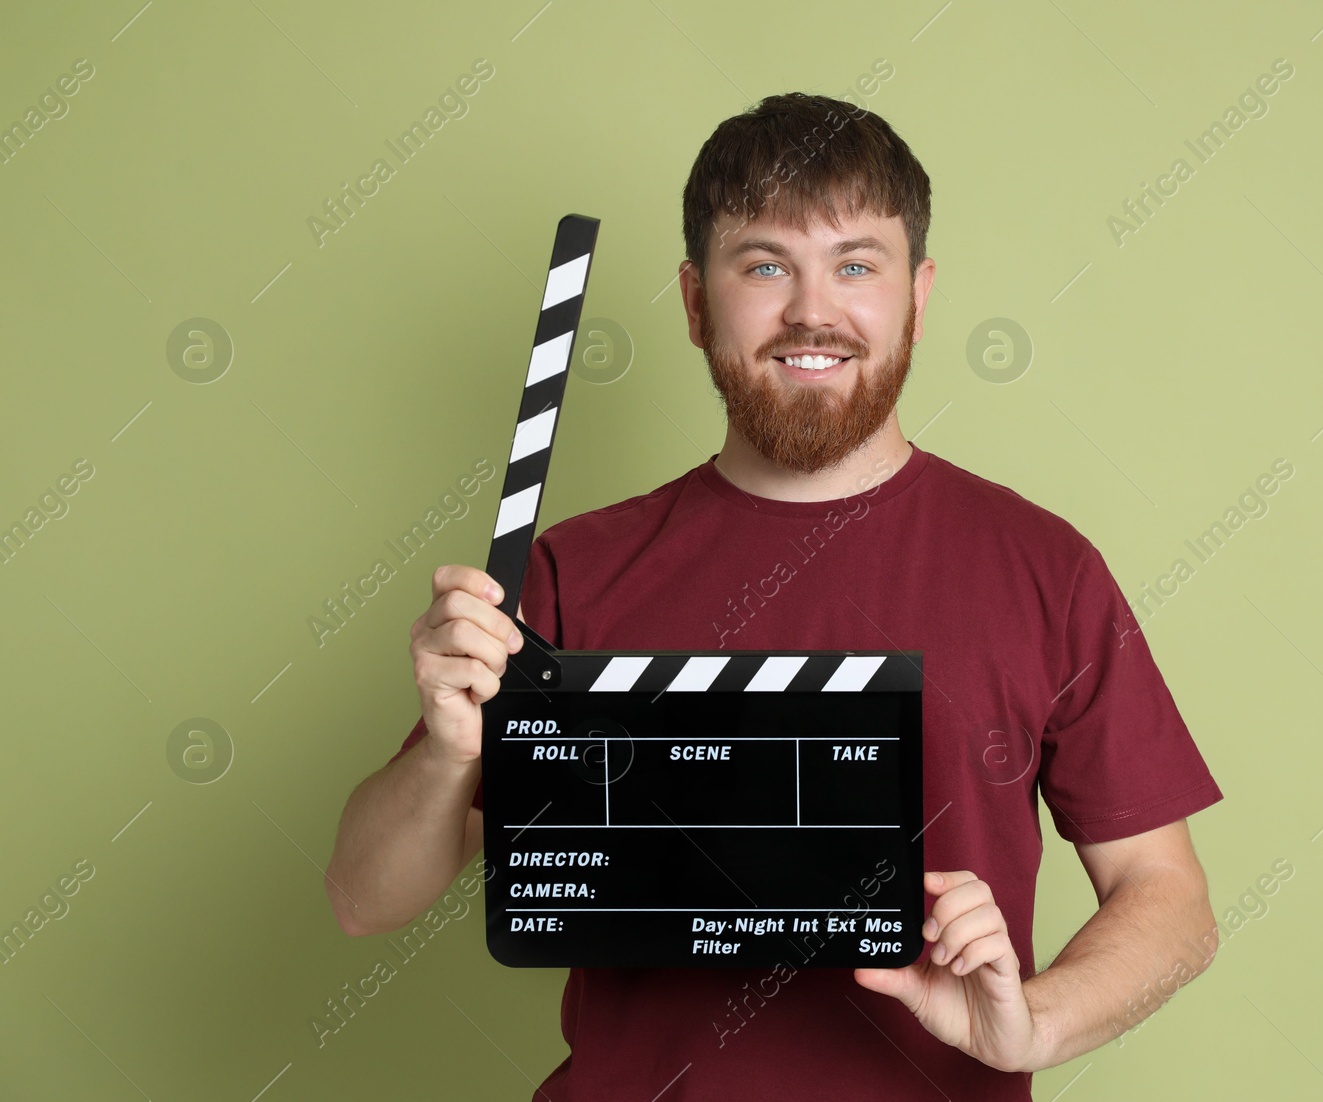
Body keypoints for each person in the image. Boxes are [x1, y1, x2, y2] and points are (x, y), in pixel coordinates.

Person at [325, 91, 1225, 1100]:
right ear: (695, 300)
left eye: (855, 265)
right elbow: (364, 897)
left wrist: (1032, 1025)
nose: (811, 311)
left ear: (918, 296)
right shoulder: (571, 571)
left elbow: (1168, 896)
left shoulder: (1043, 567)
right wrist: (451, 753)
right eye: (763, 265)